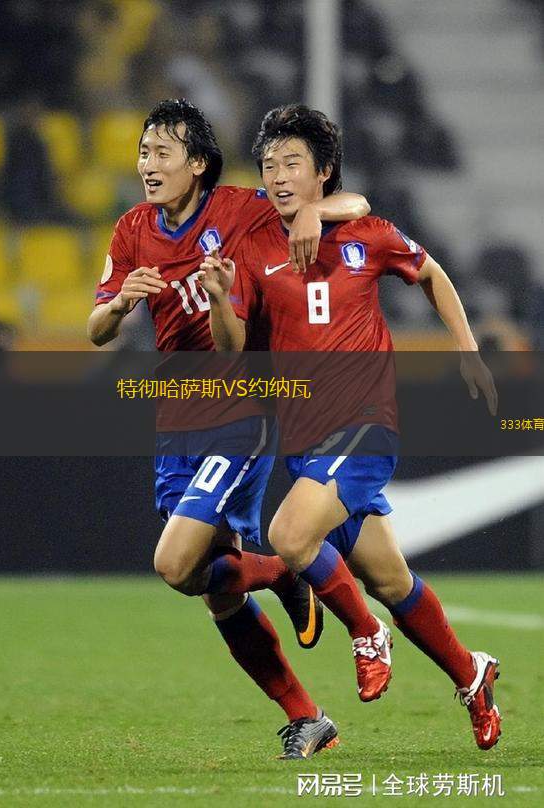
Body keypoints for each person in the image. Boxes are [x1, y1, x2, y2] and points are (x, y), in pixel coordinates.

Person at [201, 103, 501, 751]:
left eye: (293, 164)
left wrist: (467, 348)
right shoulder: (252, 247)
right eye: (269, 165)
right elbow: (230, 349)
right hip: (307, 443)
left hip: (365, 426)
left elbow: (430, 272)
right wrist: (220, 297)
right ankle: (471, 673)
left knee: (289, 534)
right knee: (391, 580)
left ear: (323, 172)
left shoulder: (368, 233)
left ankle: (366, 633)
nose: (278, 176)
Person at [87, 98, 380, 758]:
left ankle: (282, 573)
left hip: (241, 413)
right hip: (176, 422)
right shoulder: (132, 229)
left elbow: (356, 205)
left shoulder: (242, 210)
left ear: (197, 163)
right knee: (212, 587)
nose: (147, 165)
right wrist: (122, 304)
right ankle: (309, 716)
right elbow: (96, 328)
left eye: (162, 153)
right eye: (143, 153)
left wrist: (313, 213)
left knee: (173, 563)